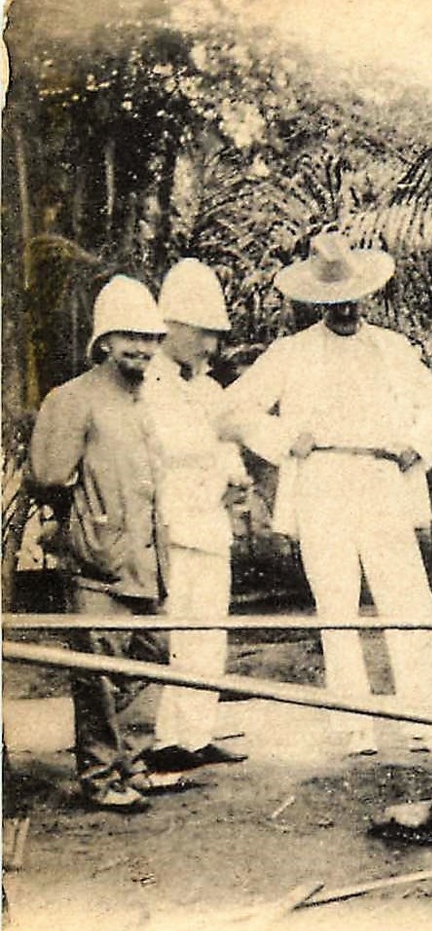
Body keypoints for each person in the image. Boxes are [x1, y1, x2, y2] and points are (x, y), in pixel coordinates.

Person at [223, 233, 432, 757]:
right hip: (323, 481)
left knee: (408, 598)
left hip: (380, 479)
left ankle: (424, 718)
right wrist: (281, 439)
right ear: (316, 302)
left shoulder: (393, 349)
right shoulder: (291, 353)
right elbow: (233, 410)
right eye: (332, 301)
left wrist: (415, 445)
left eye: (350, 297)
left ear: (363, 294)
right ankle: (354, 724)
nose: (344, 308)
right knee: (337, 603)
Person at [28, 277, 171, 811]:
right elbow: (47, 475)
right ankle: (101, 774)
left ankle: (133, 763)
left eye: (150, 338)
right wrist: (84, 525)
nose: (141, 347)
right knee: (98, 668)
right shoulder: (73, 399)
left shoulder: (144, 401)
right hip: (96, 557)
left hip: (147, 557)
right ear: (104, 341)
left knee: (152, 657)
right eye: (128, 336)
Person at [139, 259, 251, 773]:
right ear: (175, 327)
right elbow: (161, 452)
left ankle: (197, 735)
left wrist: (236, 479)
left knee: (210, 631)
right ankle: (168, 741)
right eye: (204, 334)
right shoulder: (149, 384)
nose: (210, 347)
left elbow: (227, 443)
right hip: (172, 526)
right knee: (179, 634)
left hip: (210, 523)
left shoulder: (207, 388)